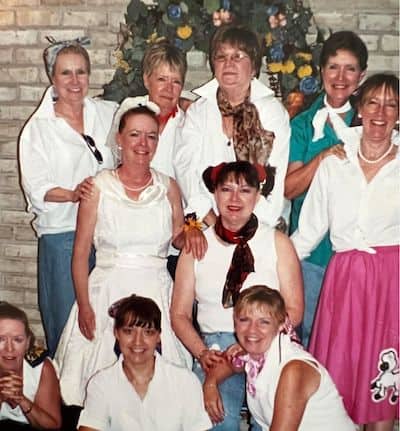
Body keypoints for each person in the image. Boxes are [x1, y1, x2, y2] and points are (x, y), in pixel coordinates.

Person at [54, 97, 192, 407]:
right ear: (120, 138)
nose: (143, 143)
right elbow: (79, 256)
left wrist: (193, 237)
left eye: (151, 135)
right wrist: (86, 306)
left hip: (156, 289)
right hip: (106, 292)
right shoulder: (98, 187)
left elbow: (178, 237)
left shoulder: (168, 187)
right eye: (134, 134)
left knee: (160, 396)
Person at [291, 73, 399, 430]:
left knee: (381, 396)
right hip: (345, 285)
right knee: (335, 398)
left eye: (391, 104)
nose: (381, 112)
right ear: (360, 107)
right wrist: (270, 272)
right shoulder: (334, 163)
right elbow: (307, 234)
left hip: (390, 287)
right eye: (373, 102)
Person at [171, 161, 303, 430]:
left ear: (257, 196)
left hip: (269, 345)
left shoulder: (278, 242)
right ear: (215, 194)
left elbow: (294, 310)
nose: (234, 199)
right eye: (226, 189)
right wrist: (202, 353)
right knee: (215, 419)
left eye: (244, 190)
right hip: (216, 349)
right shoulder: (196, 245)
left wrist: (252, 344)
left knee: (272, 421)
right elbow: (179, 314)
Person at [18, 37, 117, 357]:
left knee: (102, 323)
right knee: (66, 325)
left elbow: (147, 115)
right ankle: (59, 401)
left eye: (81, 72)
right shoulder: (38, 128)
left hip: (105, 235)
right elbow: (37, 188)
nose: (75, 81)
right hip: (62, 237)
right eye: (66, 73)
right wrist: (74, 194)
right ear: (53, 78)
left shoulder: (106, 112)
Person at [284, 31, 368, 347]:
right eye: (333, 67)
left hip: (354, 257)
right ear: (321, 72)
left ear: (361, 75)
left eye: (350, 68)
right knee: (303, 341)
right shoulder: (304, 124)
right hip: (310, 257)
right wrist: (322, 156)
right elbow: (289, 189)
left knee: (347, 343)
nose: (341, 77)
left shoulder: (369, 120)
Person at [174, 25, 290, 230]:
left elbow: (274, 179)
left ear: (253, 67)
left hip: (258, 226)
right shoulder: (198, 112)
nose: (228, 64)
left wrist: (245, 229)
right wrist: (213, 222)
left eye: (238, 56)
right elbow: (186, 171)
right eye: (221, 57)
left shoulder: (272, 112)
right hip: (207, 226)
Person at [203, 285, 355, 431]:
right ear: (235, 323)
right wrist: (210, 384)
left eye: (264, 322)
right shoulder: (255, 353)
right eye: (244, 320)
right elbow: (229, 364)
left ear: (281, 324)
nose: (252, 330)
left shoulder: (293, 369)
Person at [77, 294, 212, 431]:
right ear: (116, 333)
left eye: (148, 332)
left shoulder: (185, 381)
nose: (137, 341)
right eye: (128, 331)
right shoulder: (101, 384)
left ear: (159, 336)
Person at [0, 302, 61, 430]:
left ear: (27, 343)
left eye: (18, 340)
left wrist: (22, 400)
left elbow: (53, 426)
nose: (9, 348)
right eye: (1, 339)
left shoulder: (41, 367)